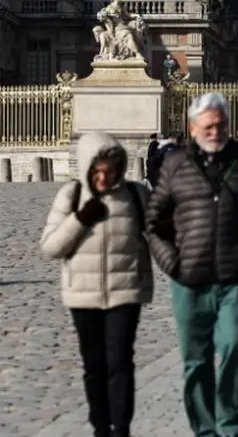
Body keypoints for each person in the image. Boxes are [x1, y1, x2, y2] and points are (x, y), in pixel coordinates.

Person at [145, 92, 238, 437]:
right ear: (193, 128)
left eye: (221, 125)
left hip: (234, 277)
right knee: (196, 361)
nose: (216, 132)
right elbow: (153, 222)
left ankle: (231, 428)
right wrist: (172, 263)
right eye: (208, 127)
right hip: (188, 281)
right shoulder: (175, 165)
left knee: (234, 344)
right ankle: (205, 431)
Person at [40, 132, 154, 437]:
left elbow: (158, 236)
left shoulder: (135, 195)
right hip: (83, 295)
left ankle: (121, 428)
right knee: (94, 365)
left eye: (110, 171)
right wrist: (80, 219)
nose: (104, 178)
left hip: (125, 290)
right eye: (97, 172)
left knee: (120, 361)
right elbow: (50, 247)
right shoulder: (71, 194)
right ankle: (100, 428)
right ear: (86, 168)